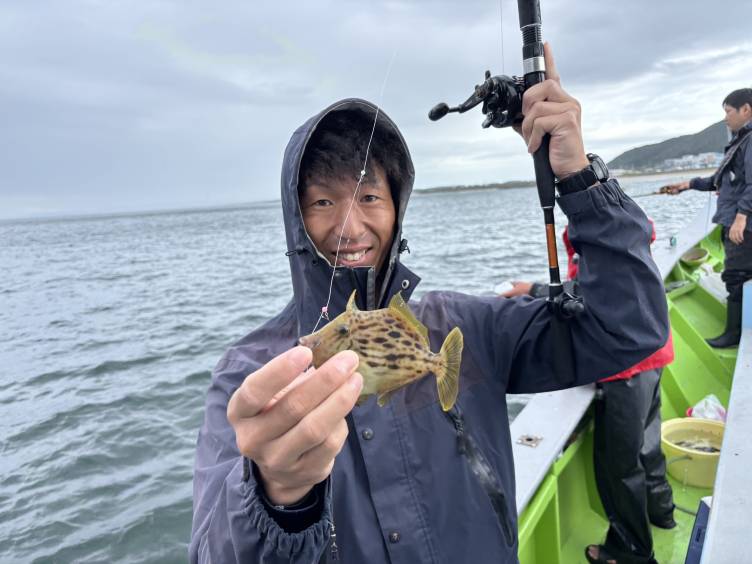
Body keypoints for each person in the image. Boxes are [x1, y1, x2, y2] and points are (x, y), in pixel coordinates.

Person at [190, 45, 670, 564]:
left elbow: (629, 329)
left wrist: (578, 178)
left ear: (397, 209)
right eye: (323, 201)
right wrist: (276, 495)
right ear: (295, 218)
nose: (350, 226)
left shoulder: (467, 326)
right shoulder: (250, 374)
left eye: (369, 198)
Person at [502, 225, 675, 564]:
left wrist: (531, 290)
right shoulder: (619, 226)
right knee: (648, 444)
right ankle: (662, 510)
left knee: (619, 466)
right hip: (652, 353)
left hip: (624, 367)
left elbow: (592, 293)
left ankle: (633, 552)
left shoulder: (592, 231)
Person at [664, 87, 752, 347]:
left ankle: (734, 334)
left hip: (742, 224)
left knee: (736, 276)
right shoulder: (741, 141)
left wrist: (741, 218)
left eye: (728, 111)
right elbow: (718, 180)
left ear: (746, 110)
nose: (726, 118)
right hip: (737, 220)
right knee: (740, 274)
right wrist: (687, 185)